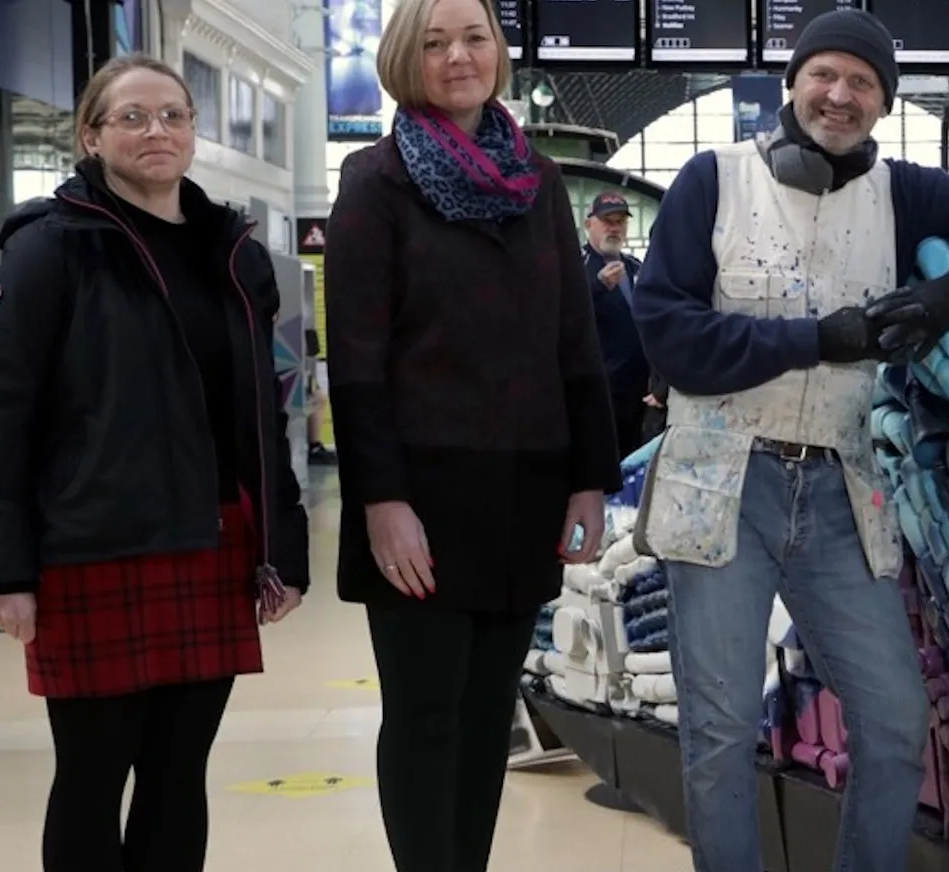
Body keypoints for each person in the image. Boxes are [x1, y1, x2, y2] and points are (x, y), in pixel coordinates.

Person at [627, 10, 949, 872]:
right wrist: (814, 340)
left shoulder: (901, 194)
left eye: (862, 83)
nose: (840, 95)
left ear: (883, 104)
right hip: (720, 484)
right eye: (823, 75)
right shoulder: (711, 179)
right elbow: (672, 338)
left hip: (841, 489)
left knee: (896, 721)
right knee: (719, 732)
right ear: (790, 84)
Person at [0, 53, 309, 872]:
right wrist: (0, 567)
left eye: (173, 115)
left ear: (193, 131)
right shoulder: (49, 248)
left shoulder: (233, 253)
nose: (157, 130)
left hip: (211, 537)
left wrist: (282, 546)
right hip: (91, 546)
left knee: (179, 775)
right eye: (133, 117)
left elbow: (259, 415)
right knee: (91, 776)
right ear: (91, 136)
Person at [321, 0, 622, 868]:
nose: (458, 56)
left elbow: (574, 339)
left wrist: (588, 478)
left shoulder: (535, 182)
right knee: (426, 713)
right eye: (435, 41)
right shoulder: (375, 182)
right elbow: (358, 358)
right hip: (422, 496)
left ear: (499, 51)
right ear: (402, 58)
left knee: (490, 716)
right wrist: (381, 499)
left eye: (475, 37)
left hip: (523, 491)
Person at [581, 190, 653, 451]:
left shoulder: (635, 266)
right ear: (589, 224)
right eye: (607, 221)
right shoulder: (577, 265)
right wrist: (598, 287)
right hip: (596, 387)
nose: (614, 228)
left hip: (637, 389)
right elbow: (563, 313)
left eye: (620, 222)